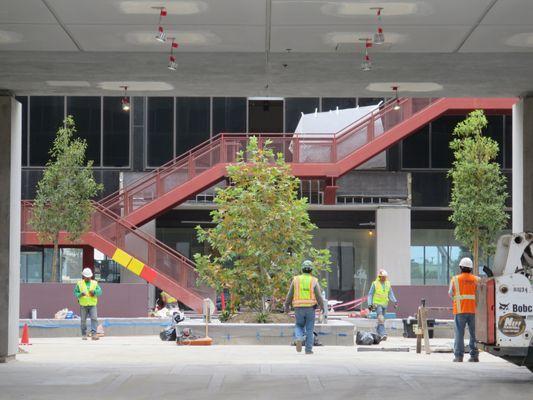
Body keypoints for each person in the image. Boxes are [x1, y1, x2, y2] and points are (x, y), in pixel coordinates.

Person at [284, 260, 326, 354]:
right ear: (311, 270)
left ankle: (298, 338)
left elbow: (289, 295)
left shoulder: (296, 280)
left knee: (299, 325)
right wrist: (322, 306)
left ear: (302, 269)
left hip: (298, 308)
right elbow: (318, 296)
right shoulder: (314, 280)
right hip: (310, 308)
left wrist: (286, 306)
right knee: (310, 329)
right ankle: (308, 350)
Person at [449, 257, 480, 362]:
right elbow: (480, 295)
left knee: (459, 334)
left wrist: (457, 301)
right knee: (474, 334)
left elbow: (450, 294)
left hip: (460, 310)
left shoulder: (455, 279)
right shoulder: (477, 280)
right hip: (474, 311)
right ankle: (474, 356)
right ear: (471, 268)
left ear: (460, 267)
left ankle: (458, 356)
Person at [367, 269, 398, 340]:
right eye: (382, 277)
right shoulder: (375, 283)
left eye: (385, 277)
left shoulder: (388, 284)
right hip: (376, 304)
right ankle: (383, 334)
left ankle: (378, 332)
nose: (384, 278)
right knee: (380, 318)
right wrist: (370, 305)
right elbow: (370, 295)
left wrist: (395, 301)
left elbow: (390, 294)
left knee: (382, 319)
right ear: (379, 276)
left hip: (384, 304)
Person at [74, 267, 102, 340]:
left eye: (89, 277)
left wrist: (95, 292)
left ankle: (94, 334)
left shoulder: (94, 283)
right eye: (86, 277)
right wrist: (80, 294)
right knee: (83, 320)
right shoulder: (79, 283)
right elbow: (75, 293)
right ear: (83, 276)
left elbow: (100, 292)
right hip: (83, 305)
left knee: (94, 318)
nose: (88, 278)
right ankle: (84, 334)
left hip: (92, 305)